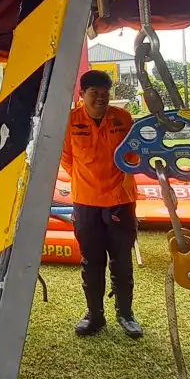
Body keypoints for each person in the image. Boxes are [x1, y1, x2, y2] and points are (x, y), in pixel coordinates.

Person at [59, 70, 143, 338]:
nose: (100, 98)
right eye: (94, 93)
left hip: (121, 201)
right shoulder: (69, 122)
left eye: (105, 94)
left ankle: (125, 314)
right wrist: (88, 181)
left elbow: (133, 154)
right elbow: (67, 159)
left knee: (121, 262)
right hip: (85, 203)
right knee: (91, 261)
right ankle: (94, 314)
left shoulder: (123, 119)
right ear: (81, 95)